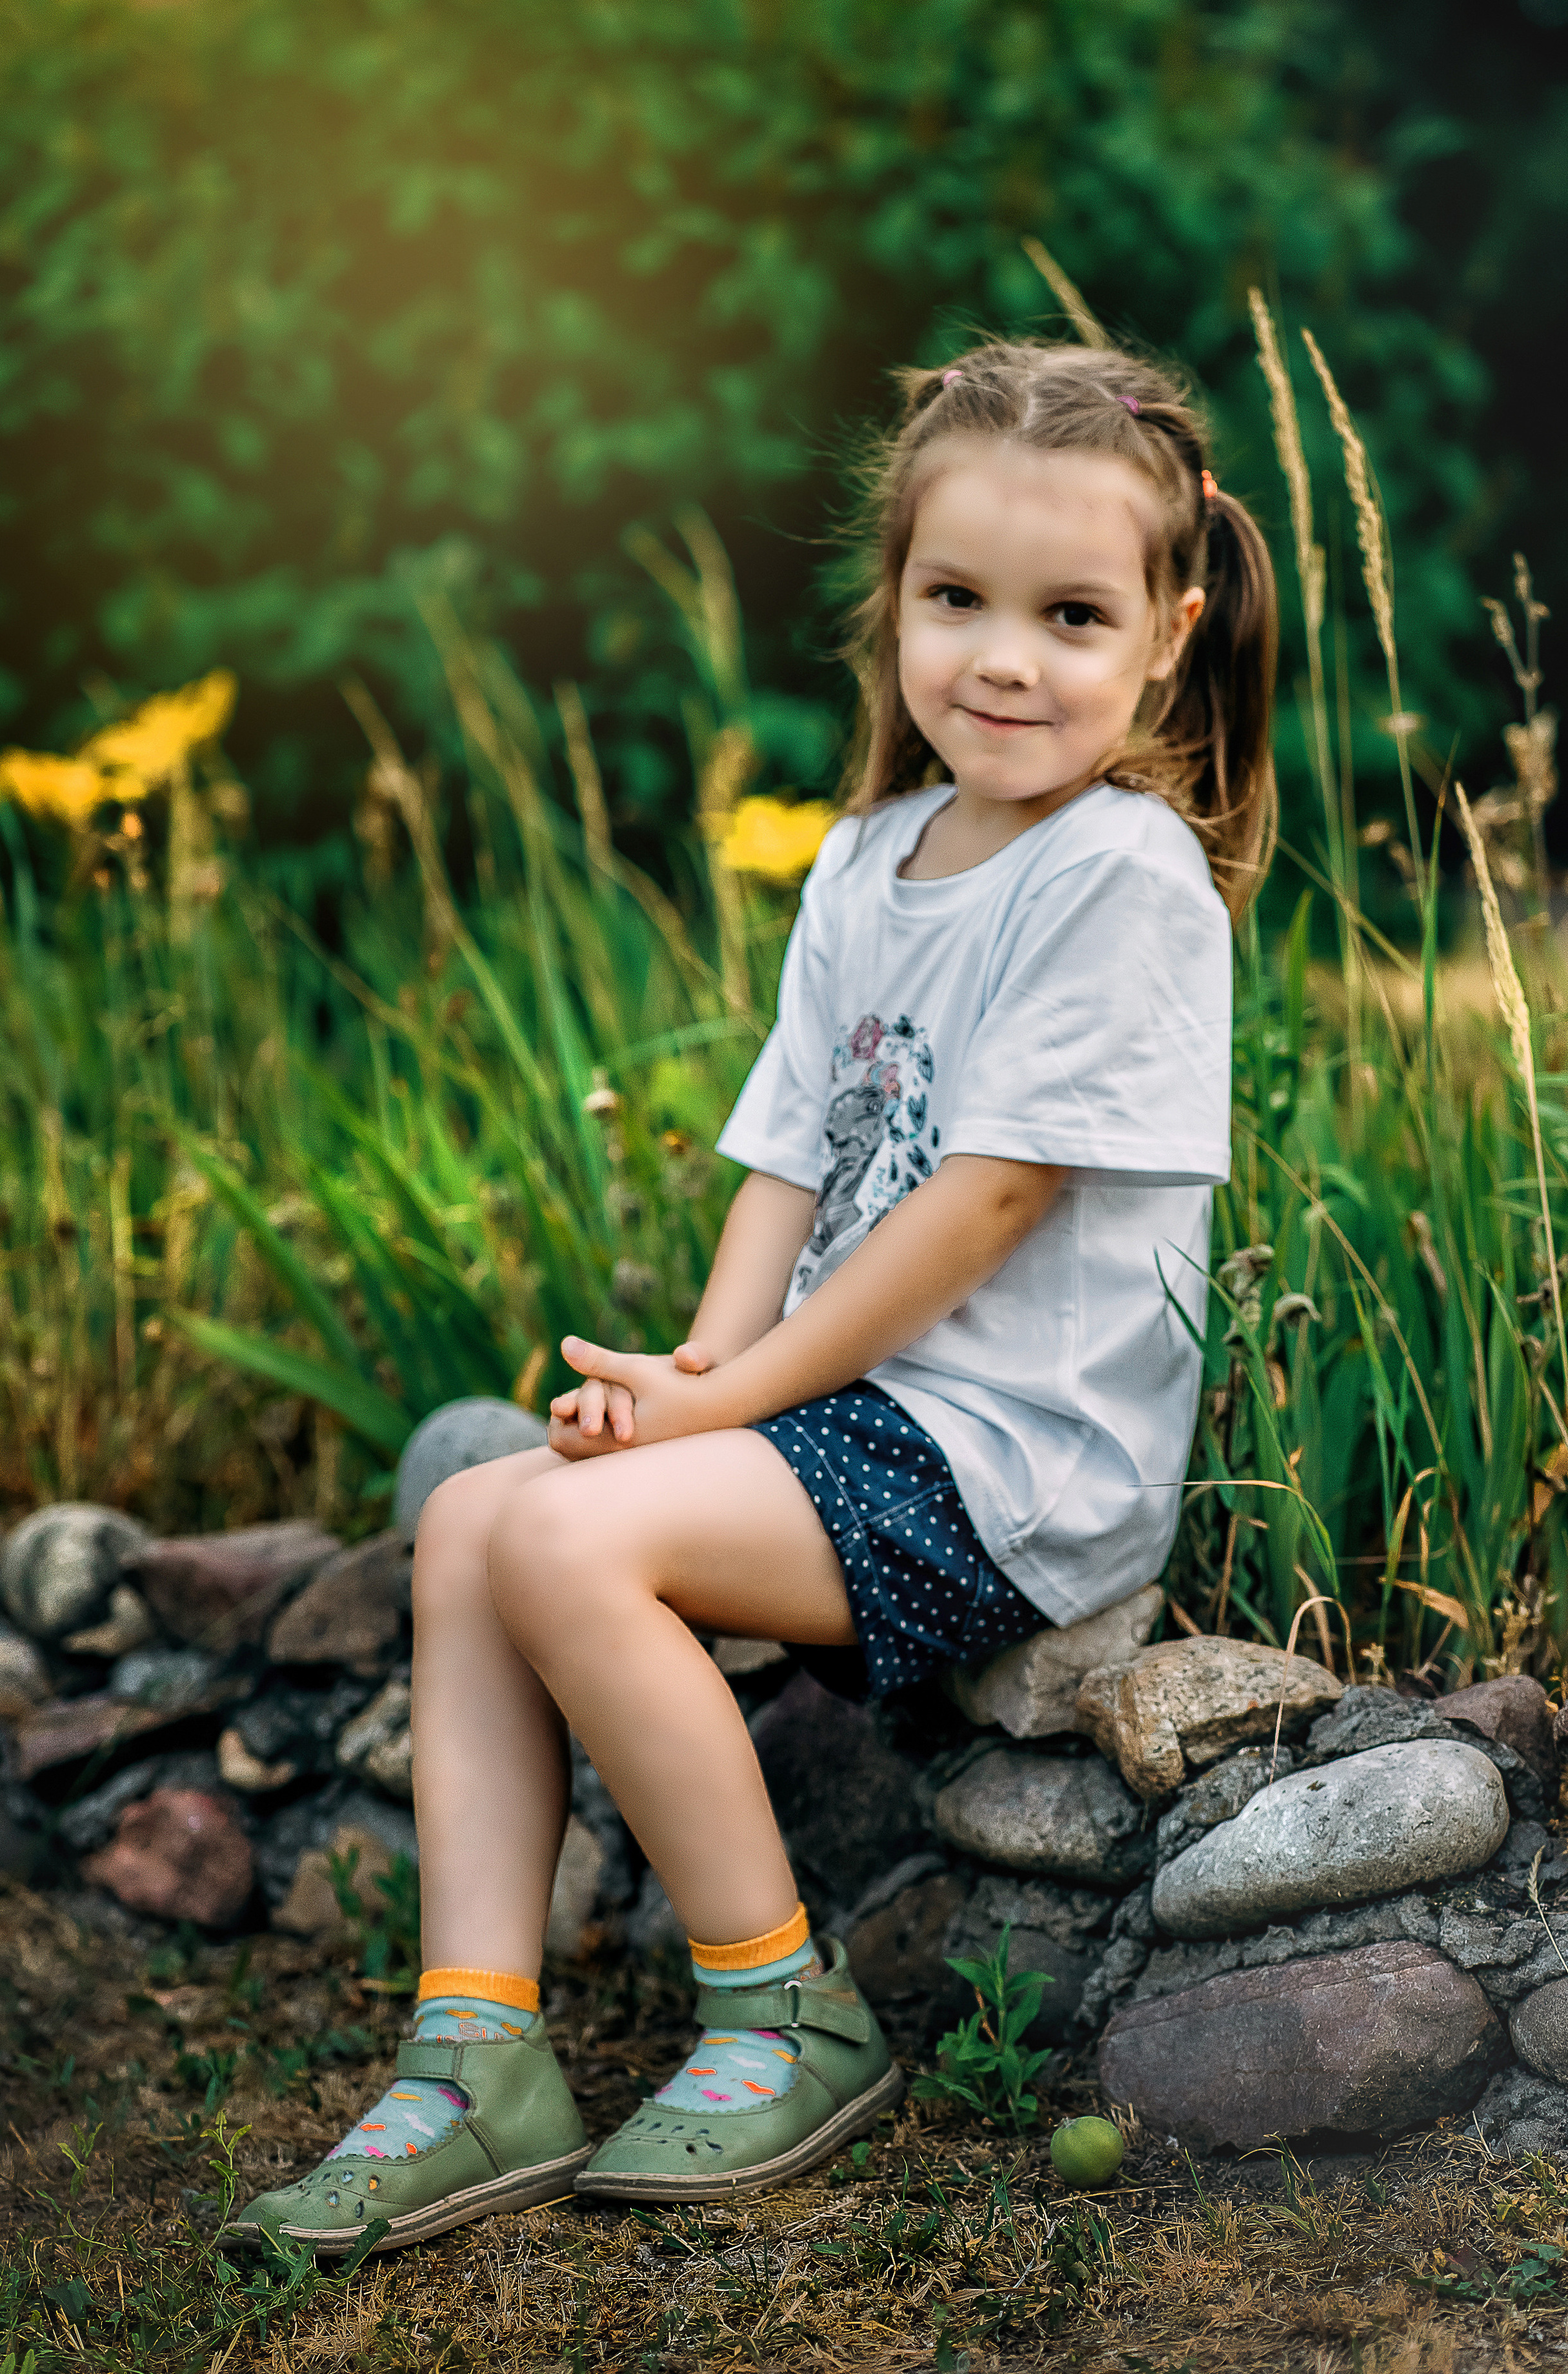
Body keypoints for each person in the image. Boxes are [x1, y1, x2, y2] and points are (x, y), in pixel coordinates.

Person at [225, 336, 1275, 2256]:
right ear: (892, 607)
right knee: (476, 1517)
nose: (1004, 660)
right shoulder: (868, 859)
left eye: (1071, 614)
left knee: (557, 1552)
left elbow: (986, 1206)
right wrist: (691, 1376)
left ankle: (781, 2004)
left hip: (1010, 1457)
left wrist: (729, 1410)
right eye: (956, 601)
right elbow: (788, 1160)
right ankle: (477, 2054)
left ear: (1170, 632)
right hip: (845, 1412)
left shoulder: (1123, 873)